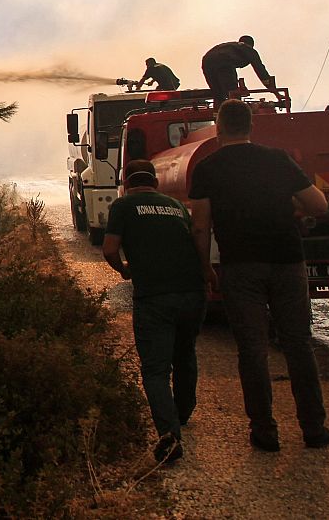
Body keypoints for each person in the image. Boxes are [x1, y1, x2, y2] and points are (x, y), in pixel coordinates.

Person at [188, 99, 329, 452]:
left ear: (219, 129)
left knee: (252, 350)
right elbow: (319, 206)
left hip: (240, 267)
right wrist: (290, 204)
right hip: (287, 261)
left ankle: (264, 432)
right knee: (298, 344)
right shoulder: (277, 159)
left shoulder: (207, 168)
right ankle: (313, 429)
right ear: (251, 126)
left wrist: (205, 267)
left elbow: (200, 226)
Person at [103, 159, 204, 464]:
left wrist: (122, 270)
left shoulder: (123, 205)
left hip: (155, 297)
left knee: (156, 369)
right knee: (185, 354)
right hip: (192, 293)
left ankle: (170, 435)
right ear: (156, 183)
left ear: (127, 183)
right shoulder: (174, 205)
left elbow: (109, 249)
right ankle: (183, 412)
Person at [200, 36, 275, 104]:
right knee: (233, 93)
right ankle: (236, 111)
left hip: (207, 61)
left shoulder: (230, 46)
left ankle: (220, 112)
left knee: (218, 94)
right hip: (224, 60)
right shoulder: (248, 49)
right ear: (251, 45)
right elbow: (260, 69)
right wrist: (272, 89)